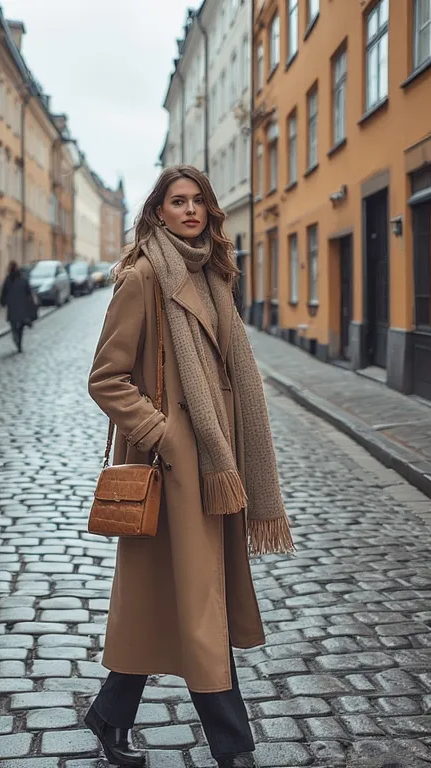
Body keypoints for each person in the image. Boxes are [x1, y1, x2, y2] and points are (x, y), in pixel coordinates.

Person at [87, 165, 294, 768]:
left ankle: (109, 714)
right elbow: (107, 379)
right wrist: (165, 434)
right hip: (176, 469)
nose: (190, 210)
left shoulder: (214, 275)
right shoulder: (145, 276)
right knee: (203, 604)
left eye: (198, 200)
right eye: (178, 201)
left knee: (174, 603)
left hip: (215, 466)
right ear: (157, 211)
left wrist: (212, 444)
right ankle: (234, 747)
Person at [0, 261, 35, 353]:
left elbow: (3, 292)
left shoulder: (8, 279)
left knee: (13, 325)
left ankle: (16, 339)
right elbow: (29, 293)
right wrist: (31, 303)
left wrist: (2, 302)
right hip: (22, 306)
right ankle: (19, 342)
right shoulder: (23, 279)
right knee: (21, 326)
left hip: (12, 306)